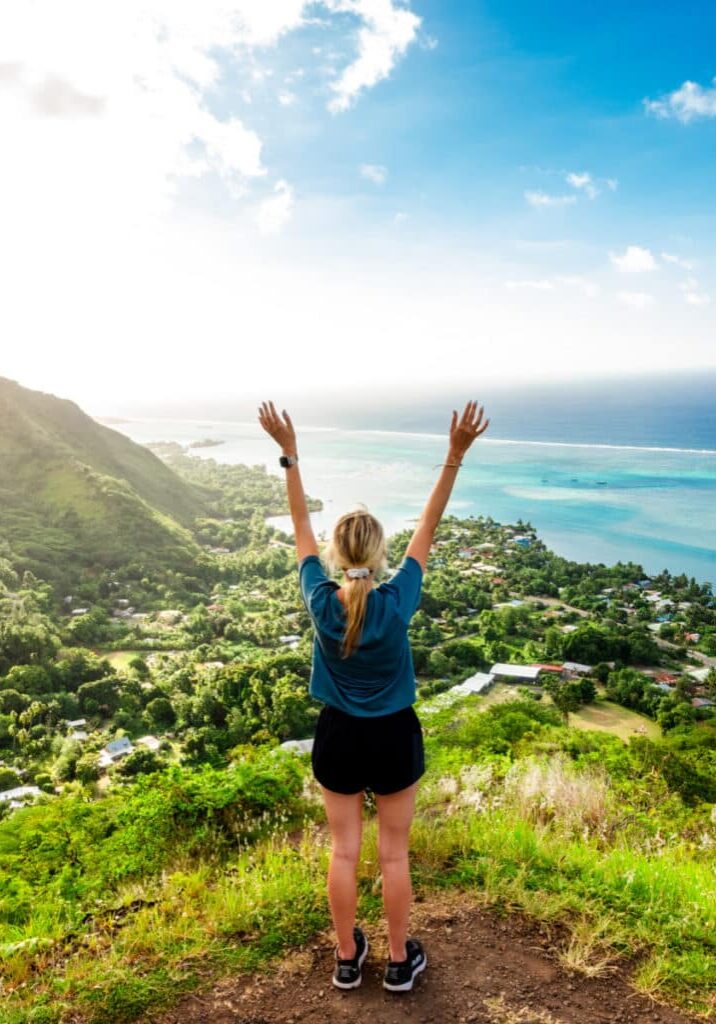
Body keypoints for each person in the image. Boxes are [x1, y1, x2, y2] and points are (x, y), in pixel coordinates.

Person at [257, 398, 490, 992]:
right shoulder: (397, 599)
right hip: (393, 735)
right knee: (393, 855)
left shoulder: (317, 598)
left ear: (337, 554)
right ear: (381, 553)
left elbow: (301, 526)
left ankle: (344, 957)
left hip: (338, 734)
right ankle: (396, 962)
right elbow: (429, 525)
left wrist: (289, 455)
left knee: (342, 853)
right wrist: (453, 456)